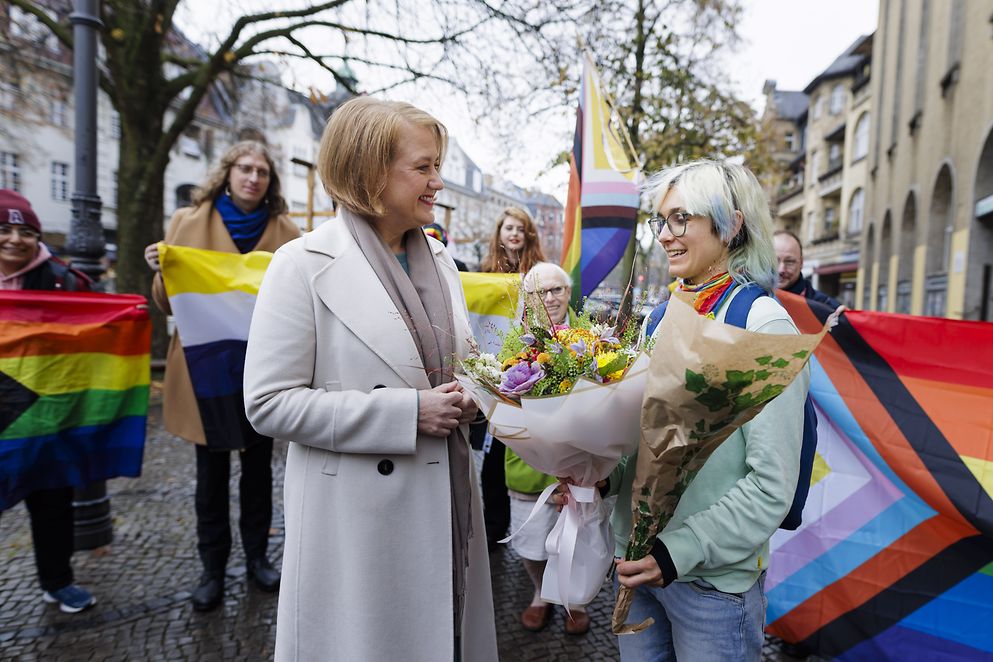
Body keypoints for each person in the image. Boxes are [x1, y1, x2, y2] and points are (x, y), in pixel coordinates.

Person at [242, 97, 498, 661]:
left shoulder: (442, 262)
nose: (438, 182)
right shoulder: (301, 264)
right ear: (370, 171)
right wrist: (406, 414)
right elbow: (267, 404)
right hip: (357, 530)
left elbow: (471, 360)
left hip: (448, 502)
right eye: (423, 167)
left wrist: (477, 394)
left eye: (438, 166)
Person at [611, 161, 809, 661]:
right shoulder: (661, 316)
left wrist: (677, 553)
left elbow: (771, 485)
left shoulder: (762, 326)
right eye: (660, 221)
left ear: (730, 224)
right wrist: (595, 475)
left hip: (711, 588)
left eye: (680, 219)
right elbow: (638, 439)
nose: (664, 236)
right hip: (637, 567)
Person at [144, 141, 301, 612]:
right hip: (204, 369)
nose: (253, 178)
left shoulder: (287, 232)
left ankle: (257, 559)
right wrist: (161, 271)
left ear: (270, 182)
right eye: (244, 169)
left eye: (262, 172)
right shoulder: (186, 223)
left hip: (261, 369)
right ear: (227, 173)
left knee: (257, 473)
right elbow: (170, 302)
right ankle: (212, 569)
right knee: (209, 477)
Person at [0, 189, 96, 613]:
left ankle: (57, 581)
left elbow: (94, 337)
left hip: (45, 410)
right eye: (4, 229)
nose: (15, 239)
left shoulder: (65, 279)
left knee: (52, 499)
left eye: (25, 231)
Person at [508, 261, 591, 635]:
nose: (550, 298)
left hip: (579, 457)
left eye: (556, 290)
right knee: (532, 540)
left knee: (577, 538)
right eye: (540, 292)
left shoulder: (591, 335)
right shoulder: (513, 338)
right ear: (528, 297)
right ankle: (541, 593)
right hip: (528, 457)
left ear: (568, 293)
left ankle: (573, 597)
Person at [476, 207, 547, 549]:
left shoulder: (539, 274)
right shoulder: (485, 273)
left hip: (530, 371)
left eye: (521, 228)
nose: (514, 234)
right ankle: (494, 527)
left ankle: (536, 531)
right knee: (492, 458)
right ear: (499, 233)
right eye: (509, 228)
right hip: (496, 373)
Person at [774, 229, 842, 308]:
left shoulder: (826, 307)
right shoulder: (756, 299)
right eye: (774, 261)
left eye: (790, 262)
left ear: (801, 263)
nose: (781, 270)